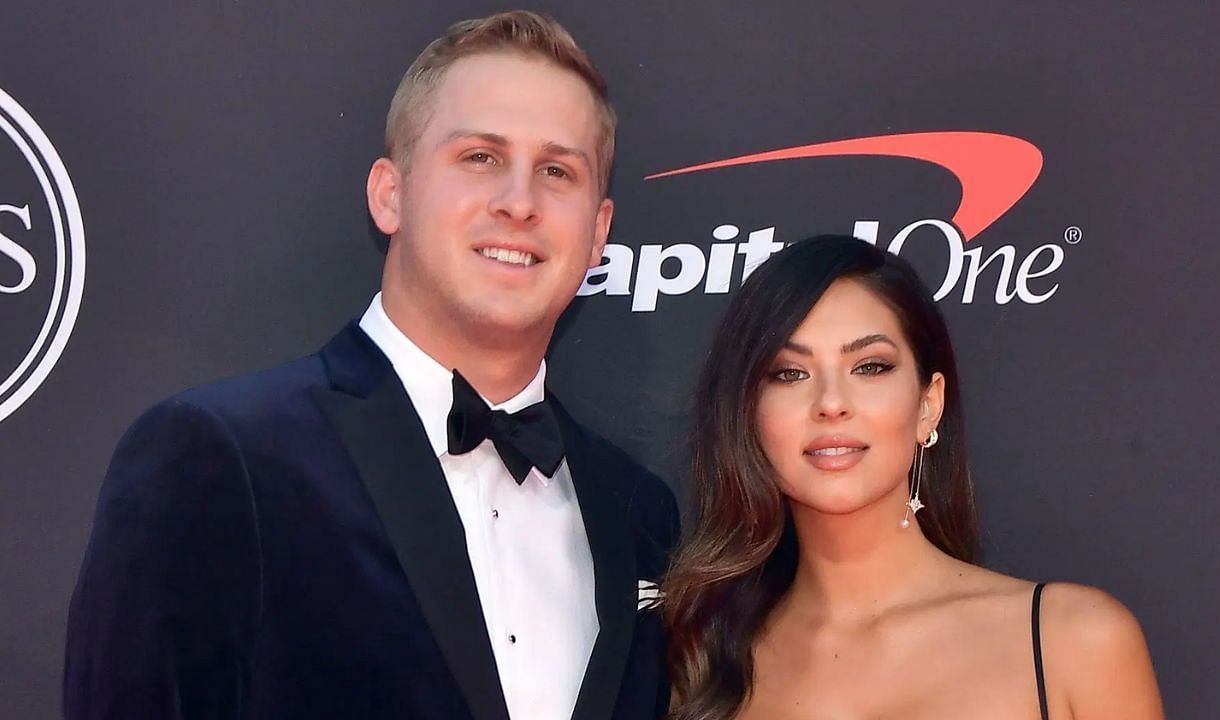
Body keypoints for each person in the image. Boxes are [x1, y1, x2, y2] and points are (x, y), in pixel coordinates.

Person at [64, 11, 678, 720]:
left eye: (556, 170)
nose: (519, 202)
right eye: (480, 157)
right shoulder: (220, 458)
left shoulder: (640, 514)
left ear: (598, 233)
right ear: (390, 194)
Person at [662, 235, 1162, 719]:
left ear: (929, 404)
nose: (832, 403)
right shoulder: (699, 668)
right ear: (748, 414)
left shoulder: (1071, 642)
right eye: (790, 373)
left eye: (871, 366)